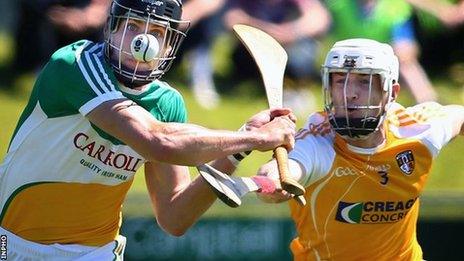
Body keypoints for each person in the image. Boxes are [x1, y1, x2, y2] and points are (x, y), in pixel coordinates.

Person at [0, 0, 296, 259]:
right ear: (112, 27)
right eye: (133, 26)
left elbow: (175, 216)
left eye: (157, 33)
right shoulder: (75, 65)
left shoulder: (166, 104)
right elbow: (155, 140)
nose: (143, 43)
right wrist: (256, 138)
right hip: (13, 243)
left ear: (170, 45)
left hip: (96, 252)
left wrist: (241, 147)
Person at [255, 38, 464, 260]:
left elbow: (458, 116)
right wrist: (274, 182)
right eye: (339, 81)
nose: (349, 93)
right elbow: (282, 173)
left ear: (391, 93)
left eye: (364, 81)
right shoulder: (318, 142)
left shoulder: (418, 130)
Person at [223, 0, 330, 116]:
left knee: (300, 60)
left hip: (290, 45)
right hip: (258, 45)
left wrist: (291, 32)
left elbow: (320, 18)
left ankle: (294, 88)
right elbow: (231, 19)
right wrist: (266, 30)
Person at [324, 0, 438, 103]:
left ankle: (427, 102)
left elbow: (406, 44)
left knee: (406, 63)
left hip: (381, 63)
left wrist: (402, 51)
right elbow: (321, 22)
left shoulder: (395, 7)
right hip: (345, 62)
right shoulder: (338, 4)